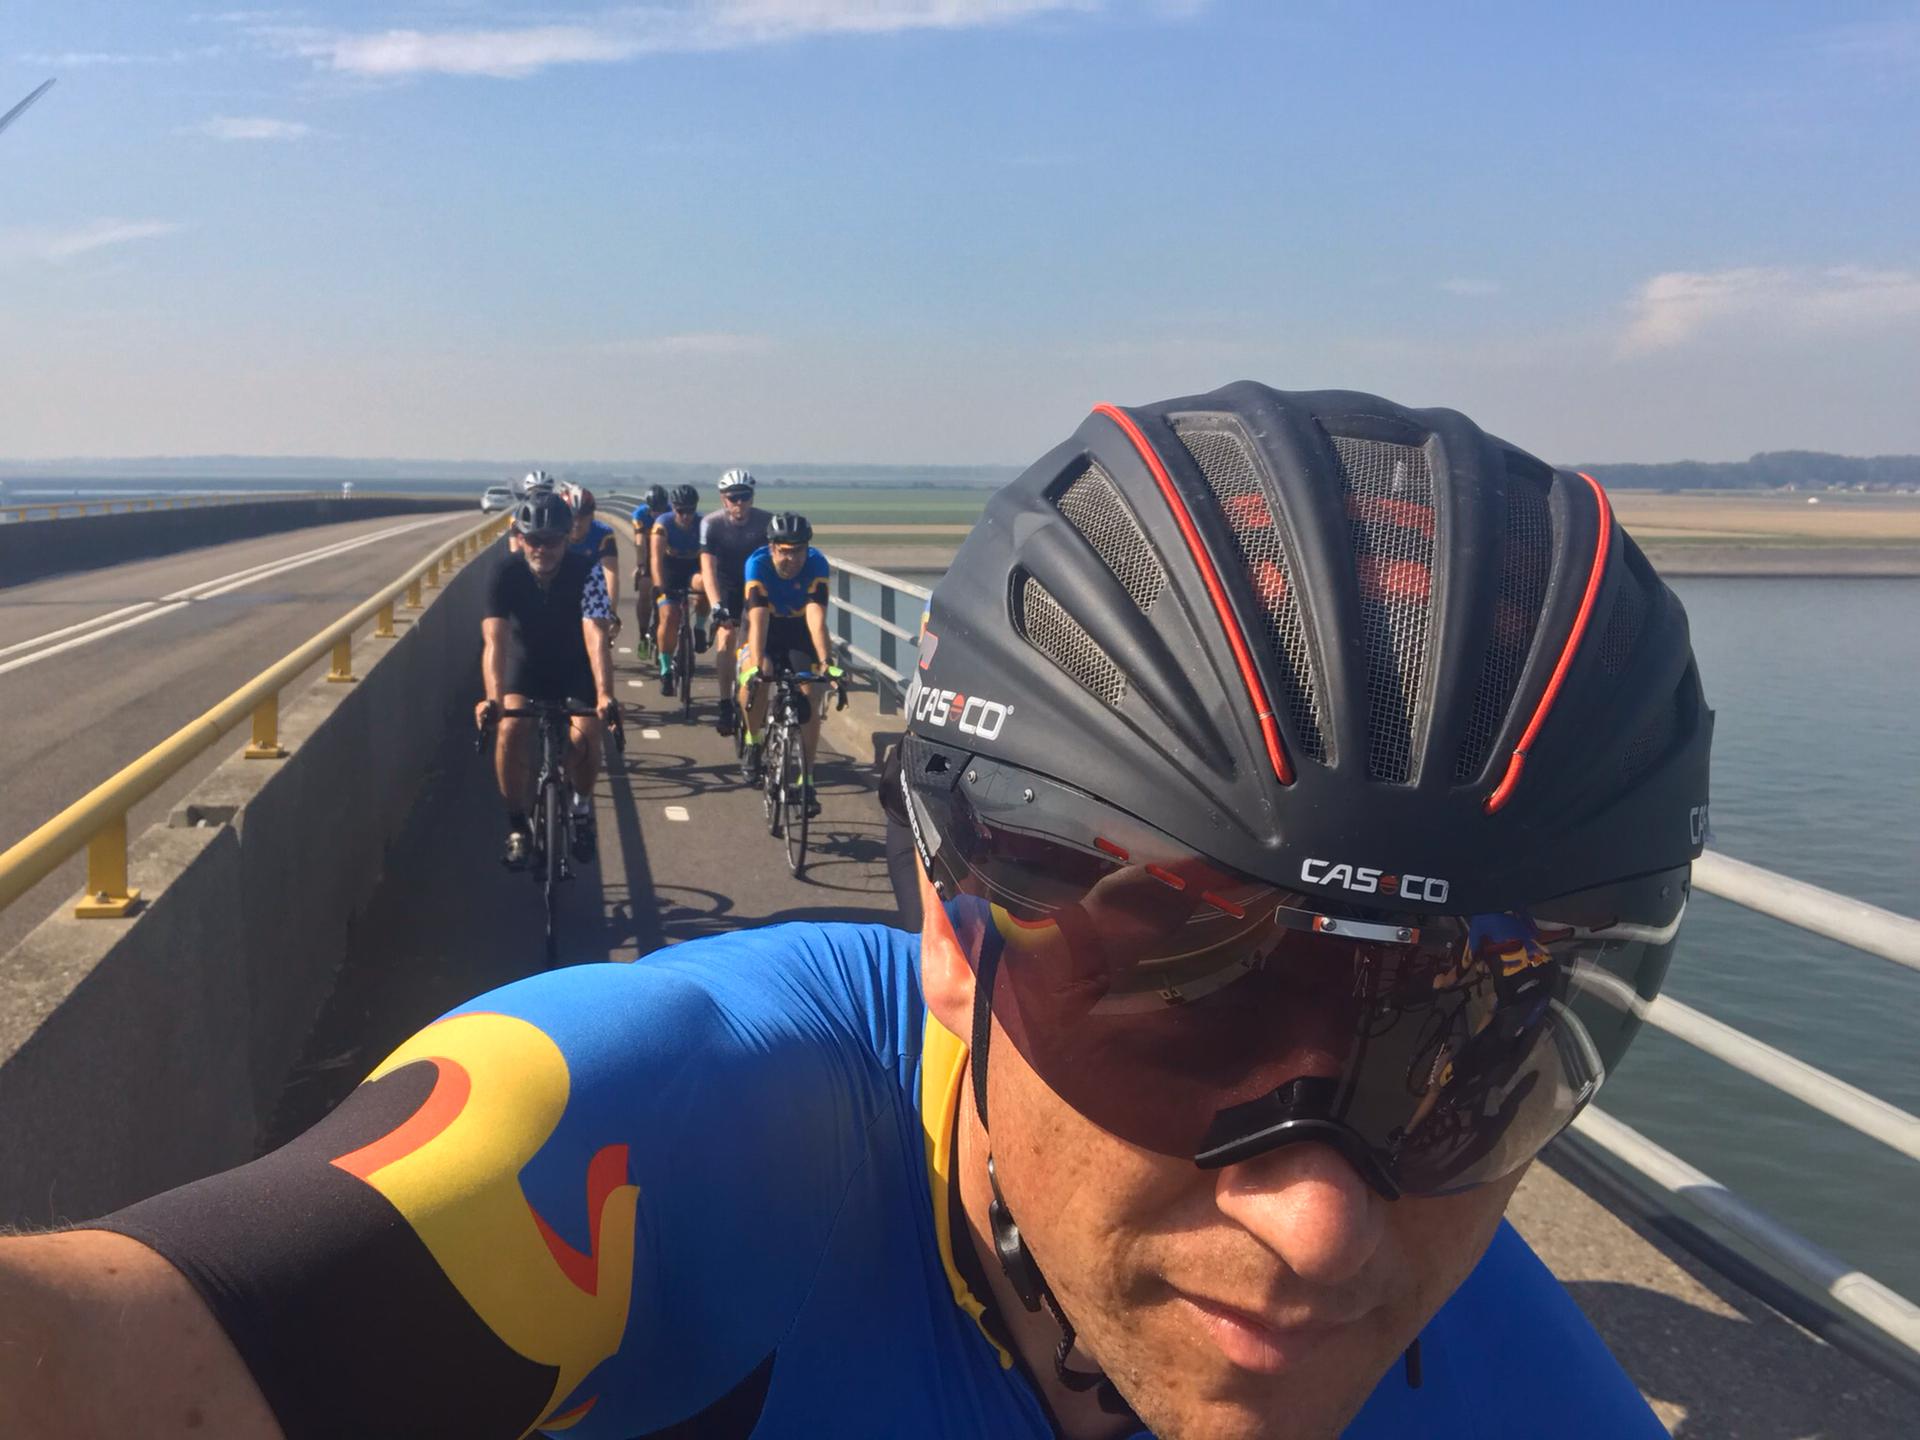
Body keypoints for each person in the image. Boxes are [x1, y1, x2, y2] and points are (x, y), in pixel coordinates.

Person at [0, 383, 1707, 1440]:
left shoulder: (1514, 1370)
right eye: (1195, 1003)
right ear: (953, 934)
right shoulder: (694, 1126)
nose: (1324, 1227)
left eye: (1482, 1047)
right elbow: (119, 1350)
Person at [474, 490, 619, 867]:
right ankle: (517, 825)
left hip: (573, 665)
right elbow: (495, 641)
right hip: (525, 665)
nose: (543, 549)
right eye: (534, 540)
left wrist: (605, 694)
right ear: (520, 538)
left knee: (587, 733)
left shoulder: (586, 569)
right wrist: (493, 698)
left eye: (552, 540)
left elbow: (596, 634)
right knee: (510, 729)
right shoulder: (504, 573)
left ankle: (581, 807)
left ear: (567, 538)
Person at [736, 510, 839, 812]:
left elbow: (816, 620)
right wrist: (756, 666)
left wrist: (827, 663)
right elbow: (758, 621)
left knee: (810, 692)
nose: (792, 559)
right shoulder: (757, 564)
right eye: (784, 551)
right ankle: (753, 740)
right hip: (763, 628)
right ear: (772, 548)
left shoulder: (817, 563)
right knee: (759, 675)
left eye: (798, 551)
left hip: (798, 630)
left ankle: (807, 779)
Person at [698, 467, 772, 738]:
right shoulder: (712, 524)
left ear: (752, 497)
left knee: (755, 642)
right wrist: (716, 604)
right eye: (733, 497)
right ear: (723, 499)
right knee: (727, 636)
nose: (739, 503)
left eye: (745, 496)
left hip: (756, 587)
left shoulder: (766, 522)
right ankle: (725, 703)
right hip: (726, 586)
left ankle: (752, 691)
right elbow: (708, 569)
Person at [649, 483, 707, 696]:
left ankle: (700, 627)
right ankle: (665, 669)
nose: (686, 516)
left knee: (705, 585)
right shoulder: (662, 524)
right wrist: (659, 586)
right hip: (670, 570)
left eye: (690, 510)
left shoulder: (703, 525)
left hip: (693, 567)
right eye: (681, 511)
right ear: (673, 508)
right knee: (669, 616)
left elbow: (710, 560)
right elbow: (655, 558)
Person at [561, 484, 621, 642]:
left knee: (598, 634)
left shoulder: (603, 534)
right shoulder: (554, 533)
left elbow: (610, 574)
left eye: (582, 517)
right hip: (561, 585)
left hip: (592, 588)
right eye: (572, 517)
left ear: (592, 516)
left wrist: (611, 612)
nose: (576, 523)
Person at [629, 483, 669, 654]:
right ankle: (643, 635)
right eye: (654, 509)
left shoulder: (672, 513)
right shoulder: (640, 515)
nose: (657, 513)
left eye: (661, 509)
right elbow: (640, 543)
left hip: (667, 554)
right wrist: (641, 566)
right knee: (645, 590)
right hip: (647, 553)